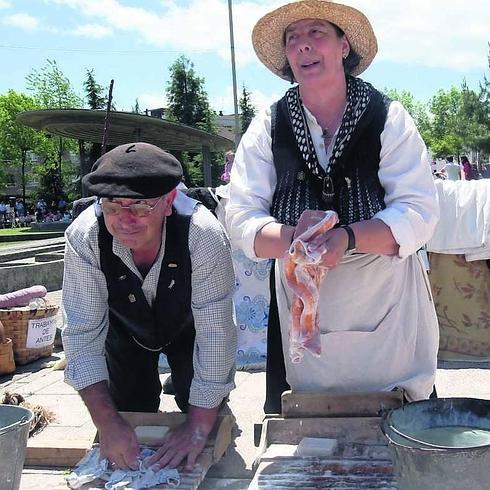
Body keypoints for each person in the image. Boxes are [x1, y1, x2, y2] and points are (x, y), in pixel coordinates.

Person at [226, 0, 440, 413]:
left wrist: (348, 238)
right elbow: (240, 213)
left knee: (394, 415)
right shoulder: (269, 125)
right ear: (287, 57)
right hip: (299, 296)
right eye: (293, 39)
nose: (303, 46)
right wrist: (295, 239)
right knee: (309, 423)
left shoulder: (387, 117)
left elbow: (417, 209)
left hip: (382, 293)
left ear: (343, 46)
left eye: (316, 34)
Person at [62, 142, 236, 470]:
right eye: (113, 206)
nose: (125, 219)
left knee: (200, 406)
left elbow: (215, 333)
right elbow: (82, 335)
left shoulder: (204, 234)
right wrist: (108, 424)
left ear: (169, 201)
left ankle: (207, 414)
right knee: (129, 410)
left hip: (191, 329)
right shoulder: (84, 236)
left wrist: (198, 425)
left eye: (141, 206)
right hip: (126, 330)